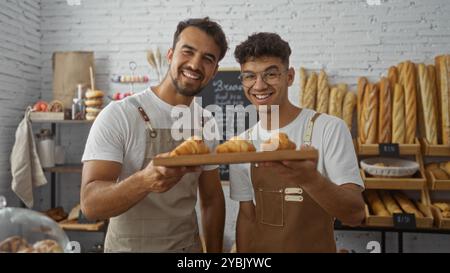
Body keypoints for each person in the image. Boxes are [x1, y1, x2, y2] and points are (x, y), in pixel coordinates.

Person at [81, 17, 227, 253]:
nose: (195, 64)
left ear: (214, 71)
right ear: (170, 54)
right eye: (187, 52)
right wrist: (144, 181)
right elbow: (90, 205)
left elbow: (211, 201)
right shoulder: (120, 115)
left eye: (208, 59)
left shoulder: (205, 122)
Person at [230, 32, 365, 252]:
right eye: (249, 76)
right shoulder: (242, 144)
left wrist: (311, 179)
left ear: (289, 76)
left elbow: (355, 214)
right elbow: (247, 216)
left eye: (271, 74)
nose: (259, 85)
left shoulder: (328, 129)